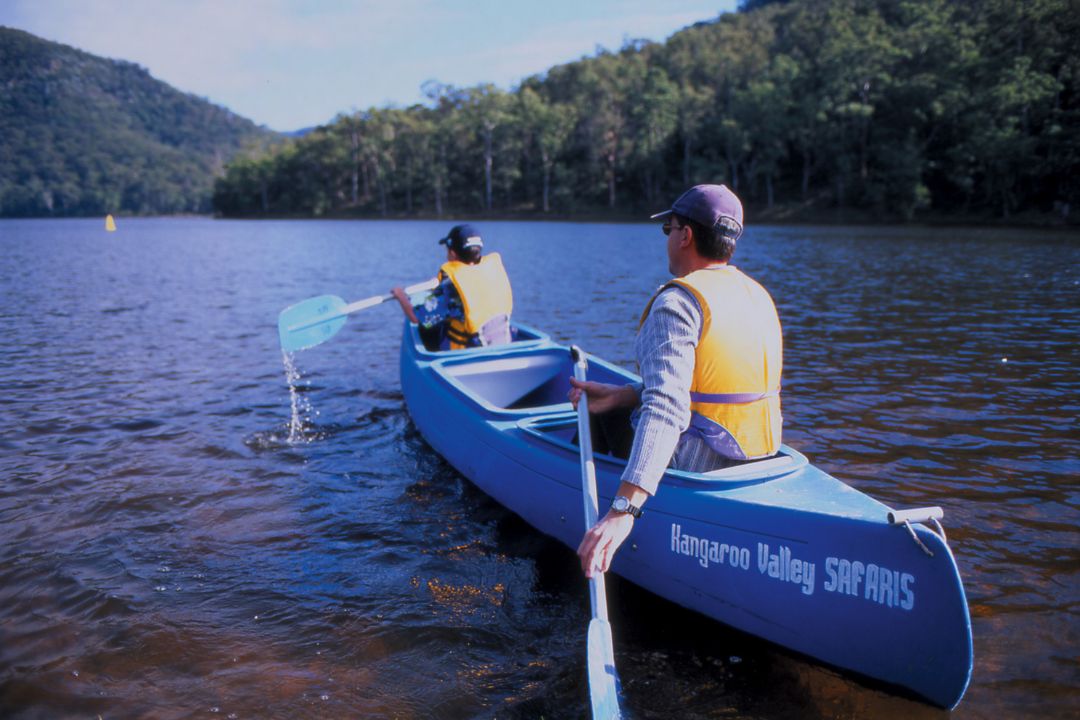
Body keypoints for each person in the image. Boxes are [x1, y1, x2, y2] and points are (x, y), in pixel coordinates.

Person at [570, 184, 783, 578]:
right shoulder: (757, 294)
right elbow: (712, 385)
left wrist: (624, 510)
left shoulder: (677, 303)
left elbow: (667, 408)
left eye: (668, 228)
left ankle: (586, 517)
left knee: (592, 424)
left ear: (685, 235)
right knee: (617, 410)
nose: (667, 238)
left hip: (703, 461)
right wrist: (624, 395)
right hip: (760, 455)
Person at [392, 224, 513, 350]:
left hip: (469, 353)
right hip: (499, 343)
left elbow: (416, 317)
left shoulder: (451, 289)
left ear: (453, 253)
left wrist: (400, 295)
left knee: (426, 325)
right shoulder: (491, 273)